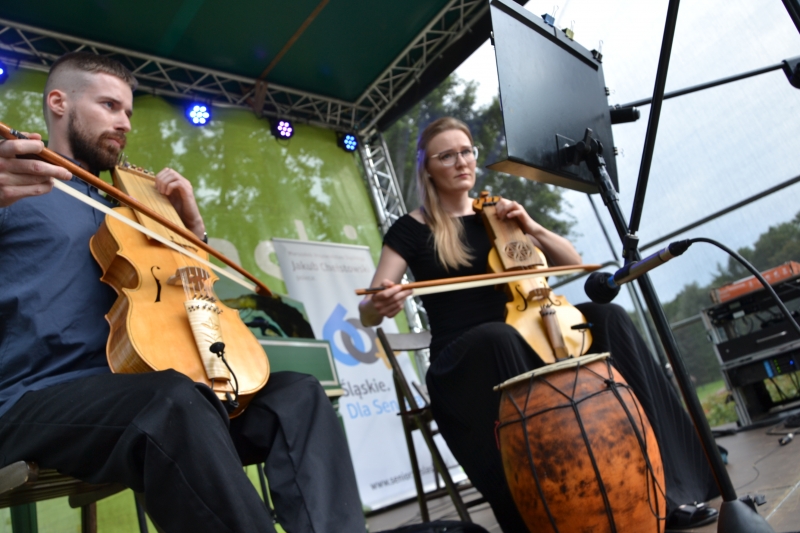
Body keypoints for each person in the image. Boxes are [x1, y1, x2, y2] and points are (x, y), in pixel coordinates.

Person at [0, 51, 365, 533]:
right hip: (35, 397)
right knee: (171, 401)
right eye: (109, 105)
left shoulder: (129, 206)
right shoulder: (16, 183)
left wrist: (192, 233)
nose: (124, 122)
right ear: (58, 103)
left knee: (297, 395)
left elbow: (185, 296)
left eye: (128, 111)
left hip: (138, 387)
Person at [359, 117, 719, 532]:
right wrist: (380, 302)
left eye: (466, 151)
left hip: (530, 332)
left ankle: (669, 495)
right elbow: (368, 310)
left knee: (608, 316)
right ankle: (545, 521)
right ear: (428, 168)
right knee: (499, 337)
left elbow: (572, 262)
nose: (461, 162)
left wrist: (530, 225)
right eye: (447, 156)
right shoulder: (411, 228)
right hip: (466, 359)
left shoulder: (496, 212)